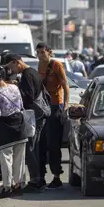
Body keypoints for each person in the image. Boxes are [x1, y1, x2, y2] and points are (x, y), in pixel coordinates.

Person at [4, 54, 47, 192]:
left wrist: (15, 89)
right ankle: (39, 179)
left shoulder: (28, 75)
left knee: (31, 148)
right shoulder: (31, 72)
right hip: (36, 116)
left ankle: (36, 181)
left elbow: (28, 96)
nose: (11, 70)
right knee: (34, 147)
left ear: (17, 63)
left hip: (34, 116)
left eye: (10, 67)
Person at [0, 65, 27, 199]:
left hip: (5, 128)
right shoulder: (15, 87)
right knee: (19, 158)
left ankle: (7, 187)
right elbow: (20, 105)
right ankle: (18, 185)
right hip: (20, 125)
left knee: (6, 159)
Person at [37, 42, 69, 189]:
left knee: (53, 143)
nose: (40, 55)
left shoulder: (56, 65)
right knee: (41, 142)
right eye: (38, 52)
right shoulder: (39, 66)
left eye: (43, 52)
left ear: (49, 52)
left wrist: (65, 107)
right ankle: (41, 176)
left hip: (56, 105)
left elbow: (65, 85)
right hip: (43, 106)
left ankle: (56, 176)